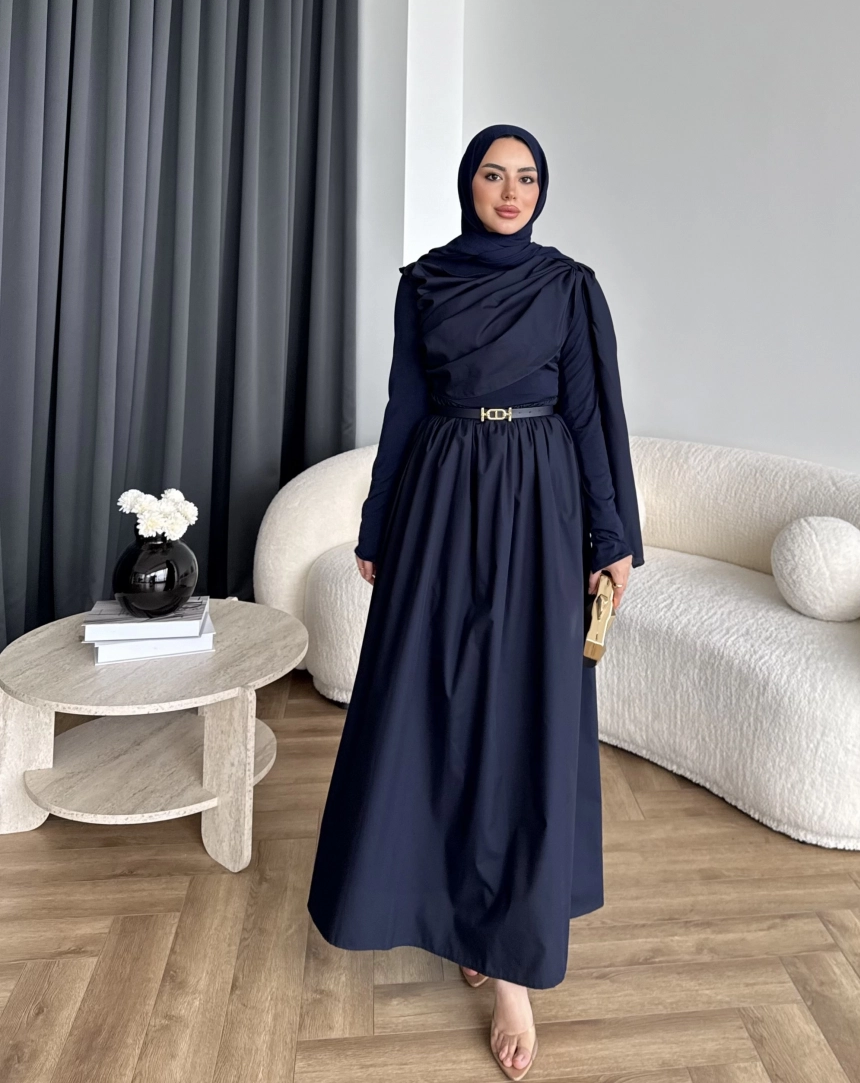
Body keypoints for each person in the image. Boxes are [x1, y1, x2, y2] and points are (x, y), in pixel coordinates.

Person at [306, 122, 644, 1080]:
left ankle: (512, 969)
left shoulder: (569, 286)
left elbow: (592, 415)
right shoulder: (424, 283)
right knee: (437, 712)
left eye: (526, 176)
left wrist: (611, 538)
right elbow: (404, 410)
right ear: (468, 184)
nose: (510, 190)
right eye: (494, 174)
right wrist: (377, 525)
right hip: (443, 500)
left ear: (542, 190)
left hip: (541, 504)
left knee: (523, 722)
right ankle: (458, 907)